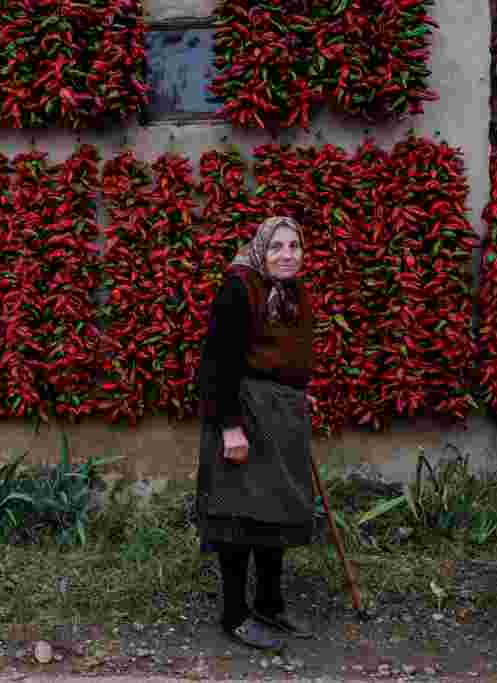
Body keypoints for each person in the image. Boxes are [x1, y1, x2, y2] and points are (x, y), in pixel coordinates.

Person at [196, 215, 316, 650]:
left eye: (295, 246)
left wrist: (296, 393)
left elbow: (286, 355)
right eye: (277, 247)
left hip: (279, 416)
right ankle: (234, 614)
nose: (287, 255)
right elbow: (218, 363)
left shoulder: (289, 291)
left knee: (276, 511)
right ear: (260, 250)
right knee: (238, 516)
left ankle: (269, 603)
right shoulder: (239, 288)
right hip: (243, 414)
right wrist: (230, 428)